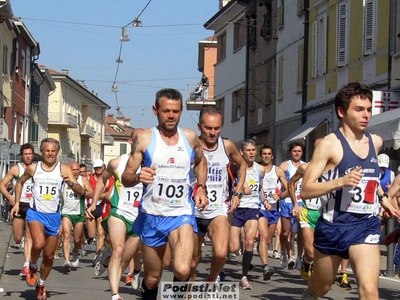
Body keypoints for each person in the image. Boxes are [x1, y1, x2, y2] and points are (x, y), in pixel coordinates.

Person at [300, 82, 400, 300]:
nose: (366, 115)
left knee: (370, 290)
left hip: (365, 226)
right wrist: (340, 182)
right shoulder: (329, 144)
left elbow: (369, 179)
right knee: (321, 288)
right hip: (333, 227)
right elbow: (306, 190)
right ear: (342, 111)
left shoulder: (375, 141)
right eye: (359, 109)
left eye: (368, 109)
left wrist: (383, 198)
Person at [121, 88, 208, 300]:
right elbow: (126, 176)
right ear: (155, 110)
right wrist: (139, 176)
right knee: (152, 277)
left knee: (182, 269)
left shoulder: (190, 138)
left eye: (176, 111)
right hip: (152, 214)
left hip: (181, 214)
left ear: (181, 111)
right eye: (166, 111)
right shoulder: (144, 139)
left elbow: (201, 160)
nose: (171, 115)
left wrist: (201, 187)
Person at [10, 138, 84, 300]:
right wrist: (16, 203)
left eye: (53, 151)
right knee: (38, 243)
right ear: (42, 152)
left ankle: (41, 284)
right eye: (47, 151)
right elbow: (20, 183)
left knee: (49, 256)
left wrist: (71, 183)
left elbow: (81, 191)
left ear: (57, 153)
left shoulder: (64, 169)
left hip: (54, 216)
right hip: (35, 213)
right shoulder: (33, 168)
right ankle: (33, 266)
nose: (50, 154)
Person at [189, 106, 247, 286]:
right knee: (192, 260)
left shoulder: (226, 145)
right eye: (208, 128)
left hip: (217, 209)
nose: (212, 133)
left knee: (222, 253)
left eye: (216, 128)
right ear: (199, 126)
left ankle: (211, 280)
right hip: (192, 210)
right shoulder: (191, 145)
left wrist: (237, 192)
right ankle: (189, 290)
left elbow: (243, 166)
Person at [87, 129, 143, 300]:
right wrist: (94, 202)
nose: (141, 143)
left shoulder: (151, 163)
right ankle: (115, 294)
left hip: (139, 218)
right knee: (119, 248)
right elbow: (102, 180)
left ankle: (106, 259)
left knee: (124, 259)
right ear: (130, 141)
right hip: (118, 212)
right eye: (137, 140)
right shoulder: (117, 162)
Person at [229, 139, 268, 290]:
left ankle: (244, 276)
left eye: (253, 150)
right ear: (241, 152)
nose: (252, 153)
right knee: (233, 248)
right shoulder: (235, 167)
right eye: (248, 150)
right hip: (237, 209)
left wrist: (264, 201)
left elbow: (259, 188)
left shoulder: (261, 170)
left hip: (252, 208)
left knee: (250, 241)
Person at [0, 143, 35, 277]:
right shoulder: (16, 169)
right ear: (22, 155)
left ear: (33, 155)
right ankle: (26, 258)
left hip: (32, 205)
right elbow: (2, 185)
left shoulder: (36, 168)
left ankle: (26, 265)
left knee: (29, 236)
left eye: (30, 154)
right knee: (17, 238)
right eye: (25, 154)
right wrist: (10, 197)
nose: (28, 156)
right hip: (18, 205)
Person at [259, 145, 288, 281]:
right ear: (261, 155)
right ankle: (266, 266)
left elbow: (288, 189)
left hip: (275, 209)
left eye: (269, 154)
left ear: (272, 156)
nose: (266, 156)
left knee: (268, 240)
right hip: (261, 208)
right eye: (264, 154)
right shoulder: (257, 170)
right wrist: (264, 200)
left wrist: (280, 196)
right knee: (264, 237)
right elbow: (258, 188)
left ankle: (259, 249)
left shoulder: (278, 171)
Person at [61, 161, 93, 273]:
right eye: (73, 170)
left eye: (77, 170)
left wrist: (81, 191)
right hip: (66, 212)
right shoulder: (63, 179)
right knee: (66, 235)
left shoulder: (82, 180)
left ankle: (75, 252)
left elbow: (91, 193)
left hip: (79, 213)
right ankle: (66, 260)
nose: (75, 172)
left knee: (78, 239)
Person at [279, 141, 305, 270]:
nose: (297, 153)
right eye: (294, 151)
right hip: (287, 202)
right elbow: (278, 179)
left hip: (300, 202)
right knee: (285, 232)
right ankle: (285, 252)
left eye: (299, 151)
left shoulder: (306, 166)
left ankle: (298, 257)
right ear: (290, 152)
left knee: (301, 231)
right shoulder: (284, 165)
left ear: (302, 152)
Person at [87, 159, 114, 266]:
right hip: (91, 206)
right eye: (96, 168)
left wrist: (99, 195)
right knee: (91, 234)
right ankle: (87, 234)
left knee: (101, 233)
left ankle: (98, 255)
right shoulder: (90, 178)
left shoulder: (109, 178)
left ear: (103, 167)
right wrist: (97, 195)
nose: (97, 169)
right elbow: (87, 192)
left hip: (103, 207)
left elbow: (108, 195)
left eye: (99, 167)